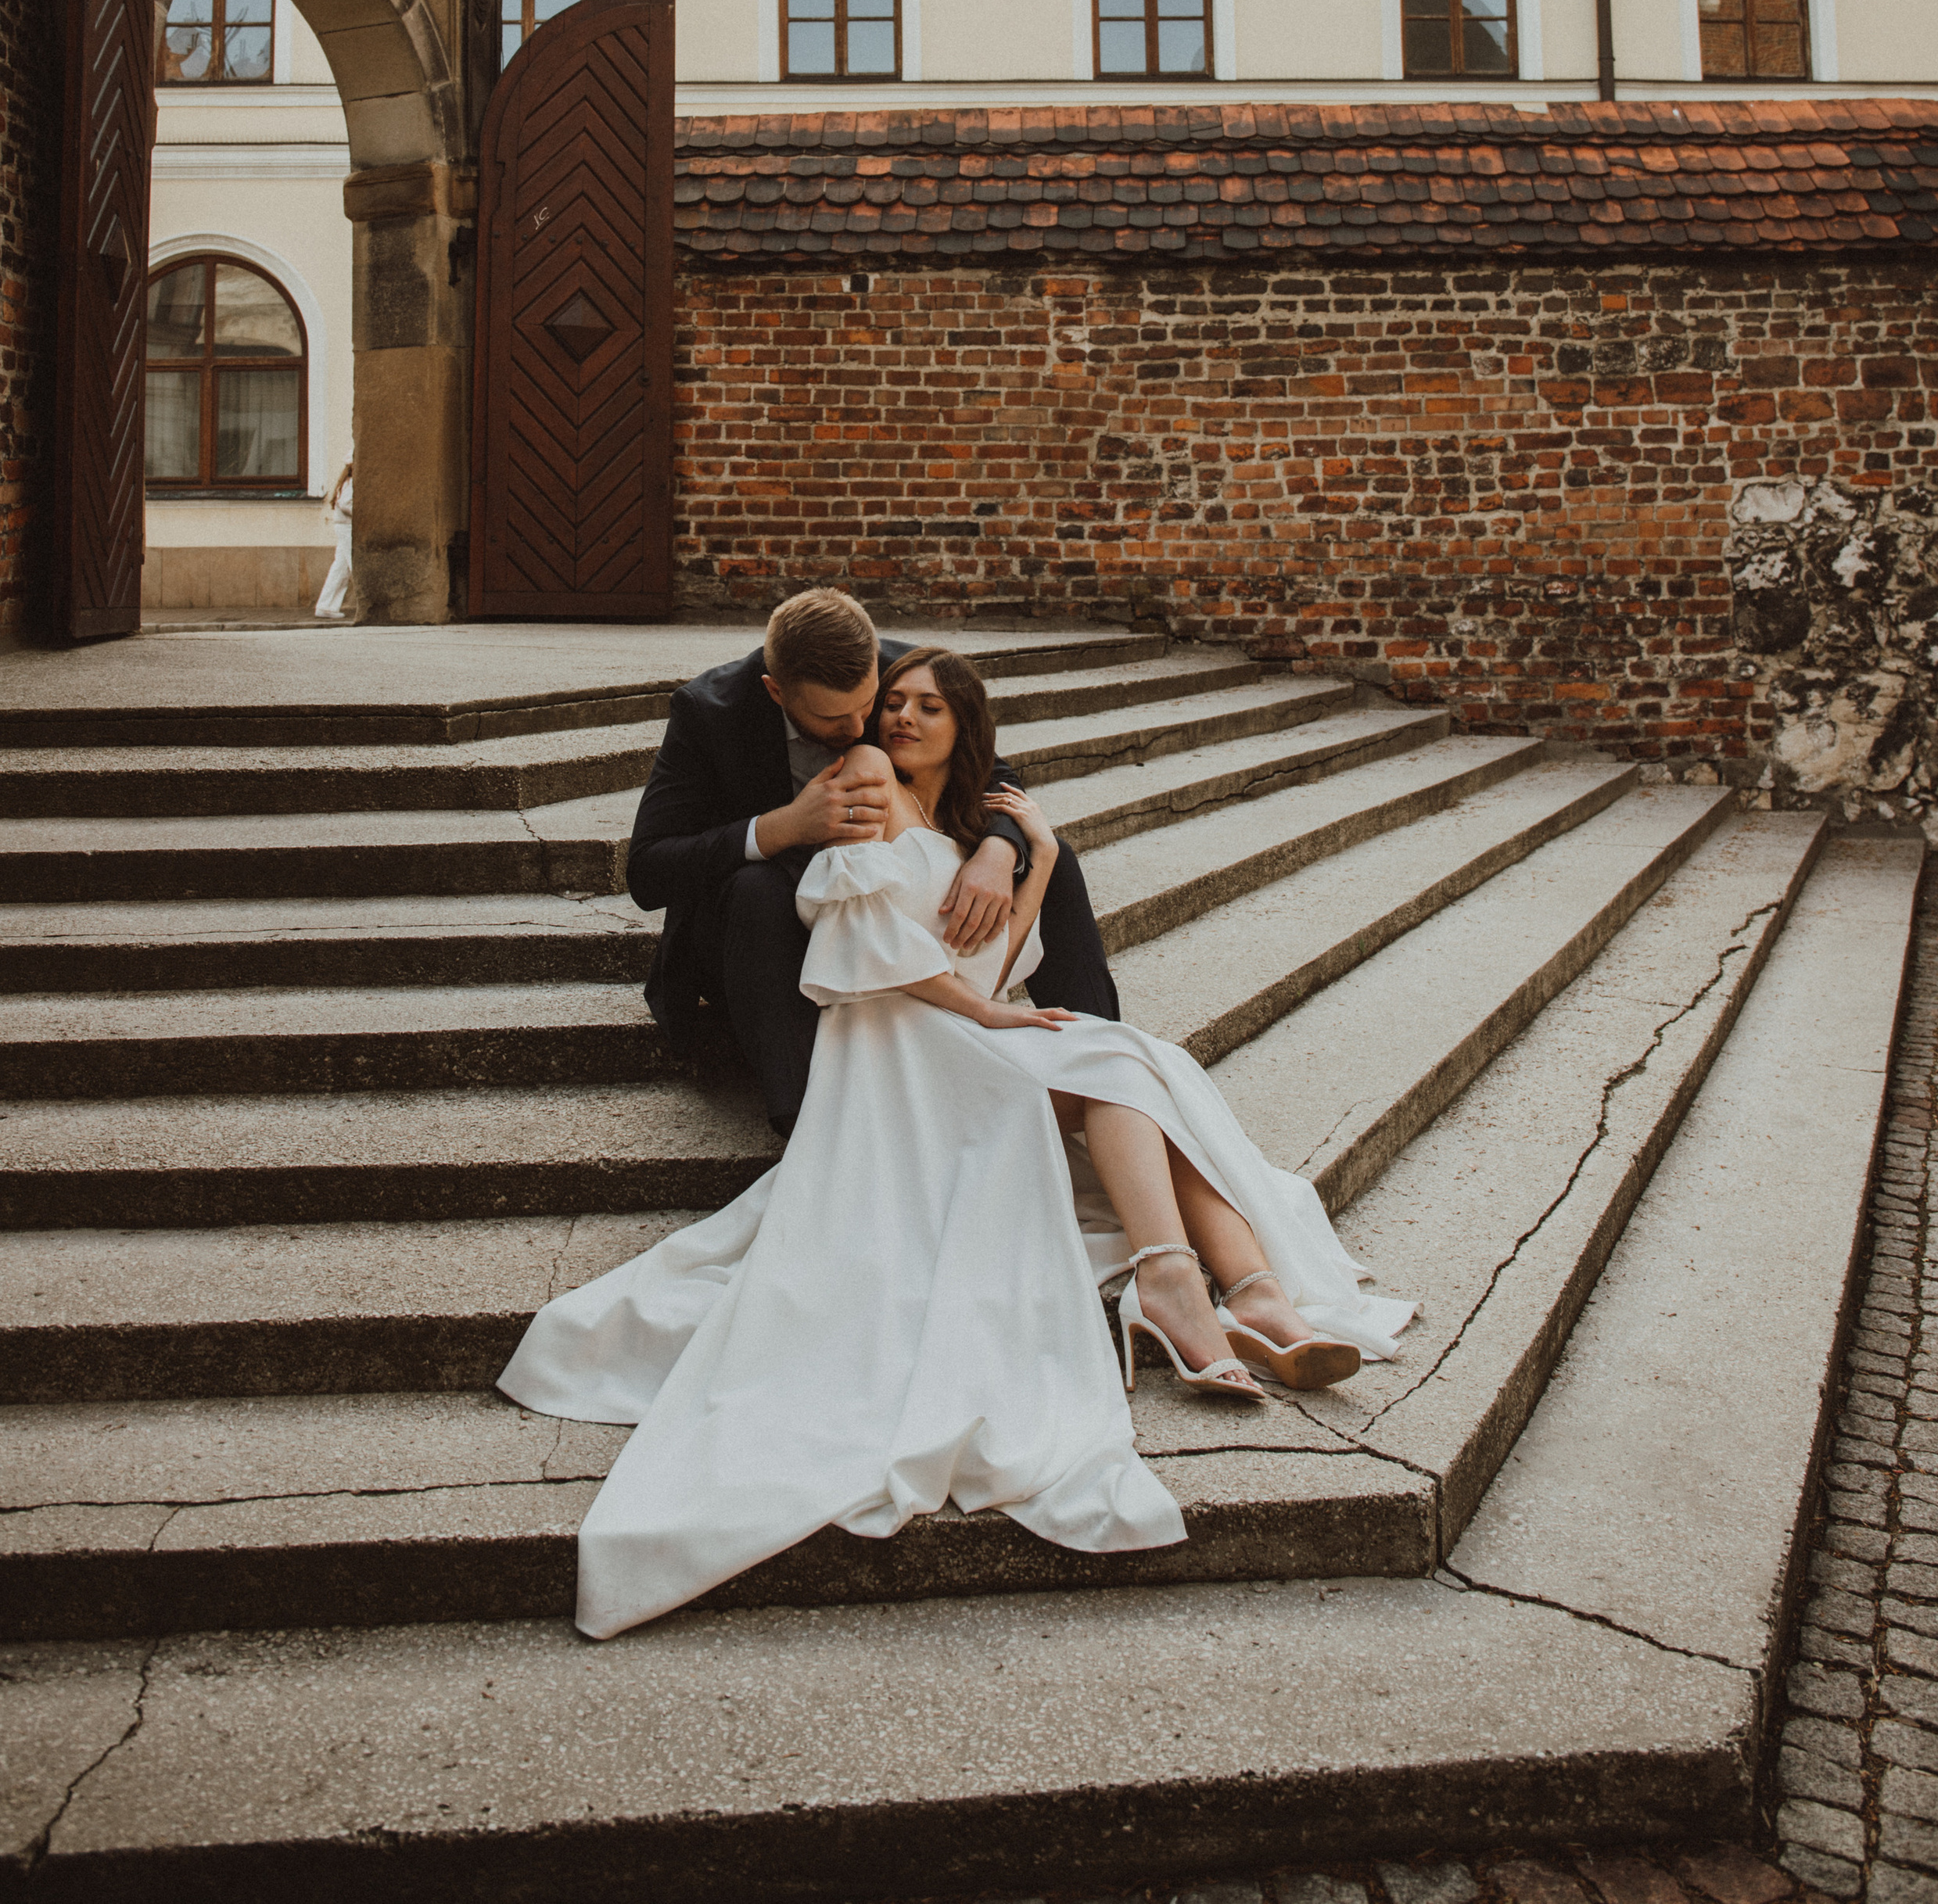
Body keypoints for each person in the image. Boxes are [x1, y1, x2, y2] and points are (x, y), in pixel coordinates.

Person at [501, 645, 1416, 1640]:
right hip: (875, 1024)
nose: (882, 723)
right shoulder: (831, 768)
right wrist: (967, 996)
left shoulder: (965, 793)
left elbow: (1000, 941)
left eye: (909, 709)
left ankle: (1229, 1293)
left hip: (962, 1013)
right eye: (878, 708)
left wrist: (1028, 857)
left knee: (1130, 1066)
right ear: (783, 695)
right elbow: (847, 944)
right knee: (1114, 1066)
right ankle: (1207, 1287)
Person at [624, 588, 1120, 1132]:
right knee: (757, 889)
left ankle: (1100, 1053)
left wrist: (999, 849)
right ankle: (808, 1123)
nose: (862, 727)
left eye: (869, 703)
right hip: (768, 929)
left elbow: (991, 771)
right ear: (775, 690)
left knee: (1051, 858)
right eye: (833, 718)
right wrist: (781, 827)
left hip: (889, 896)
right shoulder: (709, 711)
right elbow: (649, 869)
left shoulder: (896, 672)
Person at [313, 459, 354, 621]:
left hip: (343, 526)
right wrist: (362, 514)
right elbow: (345, 504)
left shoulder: (345, 482)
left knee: (341, 568)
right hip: (348, 527)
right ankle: (372, 605)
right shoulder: (352, 482)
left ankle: (326, 606)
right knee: (354, 564)